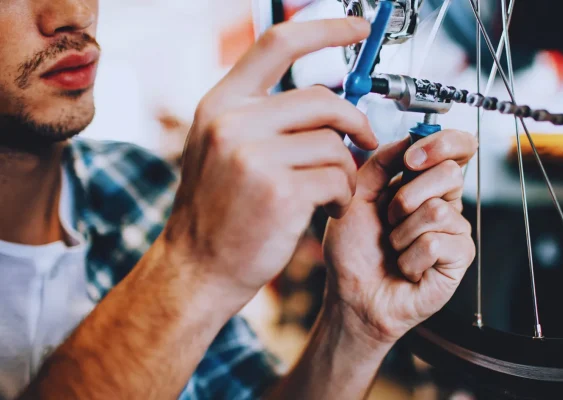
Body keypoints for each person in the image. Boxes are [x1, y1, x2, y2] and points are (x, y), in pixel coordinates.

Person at [0, 1, 477, 399]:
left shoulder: (137, 184)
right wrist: (192, 267)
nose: (74, 12)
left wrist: (354, 326)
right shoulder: (177, 232)